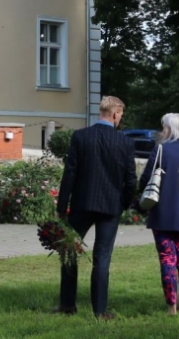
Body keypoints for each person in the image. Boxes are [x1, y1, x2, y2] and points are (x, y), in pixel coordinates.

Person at [55, 95, 136, 319]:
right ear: (115, 114)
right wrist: (124, 203)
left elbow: (69, 174)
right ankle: (100, 310)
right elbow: (131, 181)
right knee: (102, 257)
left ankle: (67, 304)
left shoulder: (81, 136)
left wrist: (62, 206)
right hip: (111, 207)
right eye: (121, 115)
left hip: (82, 203)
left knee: (69, 251)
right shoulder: (125, 143)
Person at [140, 113, 179, 316]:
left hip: (162, 214)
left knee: (167, 260)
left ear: (170, 129)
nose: (162, 131)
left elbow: (146, 177)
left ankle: (171, 306)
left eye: (164, 127)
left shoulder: (160, 149)